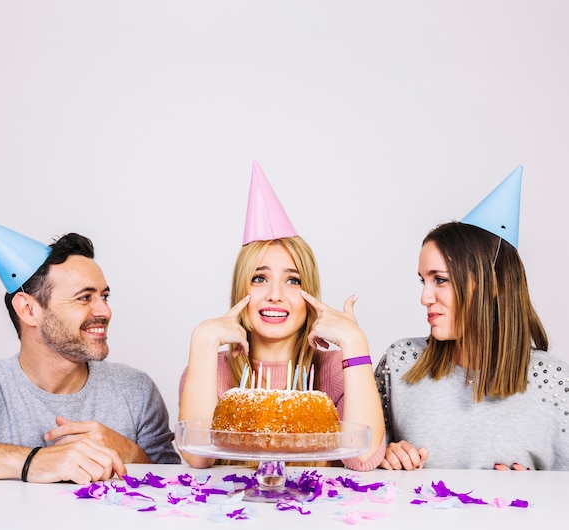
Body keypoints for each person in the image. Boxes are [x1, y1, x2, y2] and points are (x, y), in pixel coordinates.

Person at [0, 211, 180, 484]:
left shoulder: (136, 391)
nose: (105, 310)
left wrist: (130, 451)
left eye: (104, 296)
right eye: (84, 297)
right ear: (29, 310)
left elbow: (171, 487)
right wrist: (35, 461)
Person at [178, 161, 385, 470]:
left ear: (310, 293)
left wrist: (355, 343)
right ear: (240, 290)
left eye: (293, 280)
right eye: (259, 278)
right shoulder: (213, 370)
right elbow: (197, 456)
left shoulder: (333, 371)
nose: (275, 294)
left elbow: (363, 458)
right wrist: (203, 340)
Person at [376, 166, 569, 470]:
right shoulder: (400, 362)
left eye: (440, 280)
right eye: (422, 281)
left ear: (492, 285)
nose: (425, 298)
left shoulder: (553, 381)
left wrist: (542, 494)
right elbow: (358, 465)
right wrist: (383, 457)